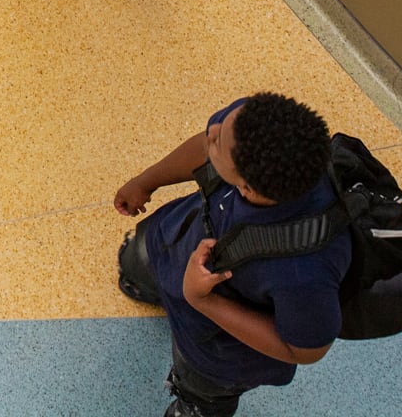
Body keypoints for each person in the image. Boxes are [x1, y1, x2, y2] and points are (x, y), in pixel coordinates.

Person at [114, 94, 349, 416]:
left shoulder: (302, 271)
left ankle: (194, 406)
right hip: (175, 238)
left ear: (247, 187)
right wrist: (146, 181)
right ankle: (144, 282)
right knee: (137, 262)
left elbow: (307, 350)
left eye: (217, 142)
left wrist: (203, 300)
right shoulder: (248, 130)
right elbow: (203, 147)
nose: (213, 130)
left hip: (218, 350)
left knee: (201, 388)